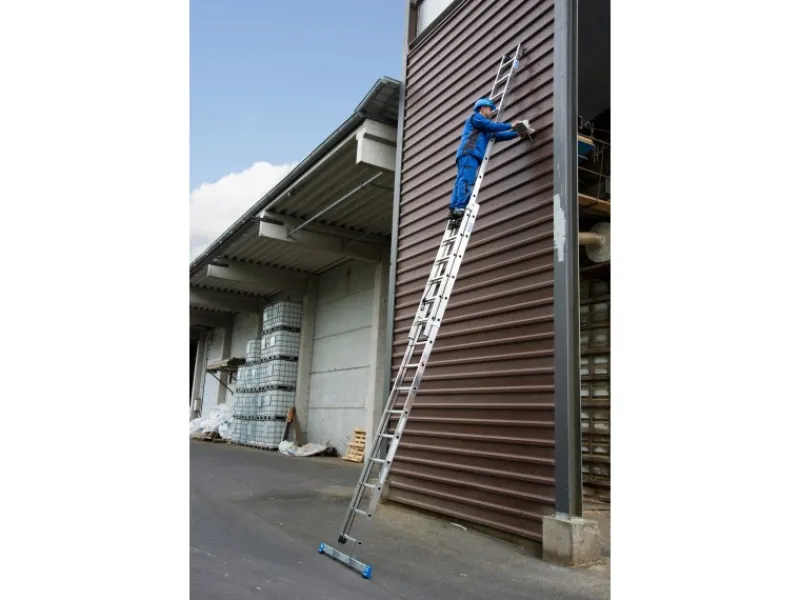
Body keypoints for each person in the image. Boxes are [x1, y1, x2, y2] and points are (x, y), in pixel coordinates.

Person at [448, 98, 524, 222]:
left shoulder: (483, 129)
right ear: (483, 108)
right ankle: (460, 208)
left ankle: (454, 210)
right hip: (469, 153)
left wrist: (517, 133)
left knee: (461, 180)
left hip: (469, 155)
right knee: (466, 180)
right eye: (490, 109)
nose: (491, 112)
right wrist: (511, 125)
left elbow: (498, 135)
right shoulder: (476, 118)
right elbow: (492, 126)